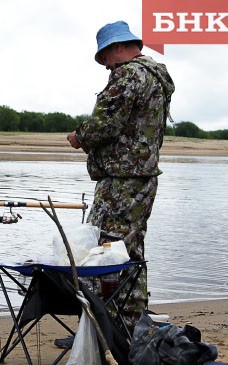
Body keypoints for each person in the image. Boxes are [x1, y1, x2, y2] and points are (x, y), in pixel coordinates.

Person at [67, 21, 175, 331]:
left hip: (121, 180)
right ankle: (131, 318)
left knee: (107, 248)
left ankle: (111, 327)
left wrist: (79, 136)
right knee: (130, 247)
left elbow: (105, 125)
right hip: (142, 177)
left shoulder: (128, 74)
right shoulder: (157, 76)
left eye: (105, 59)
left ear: (118, 48)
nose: (106, 67)